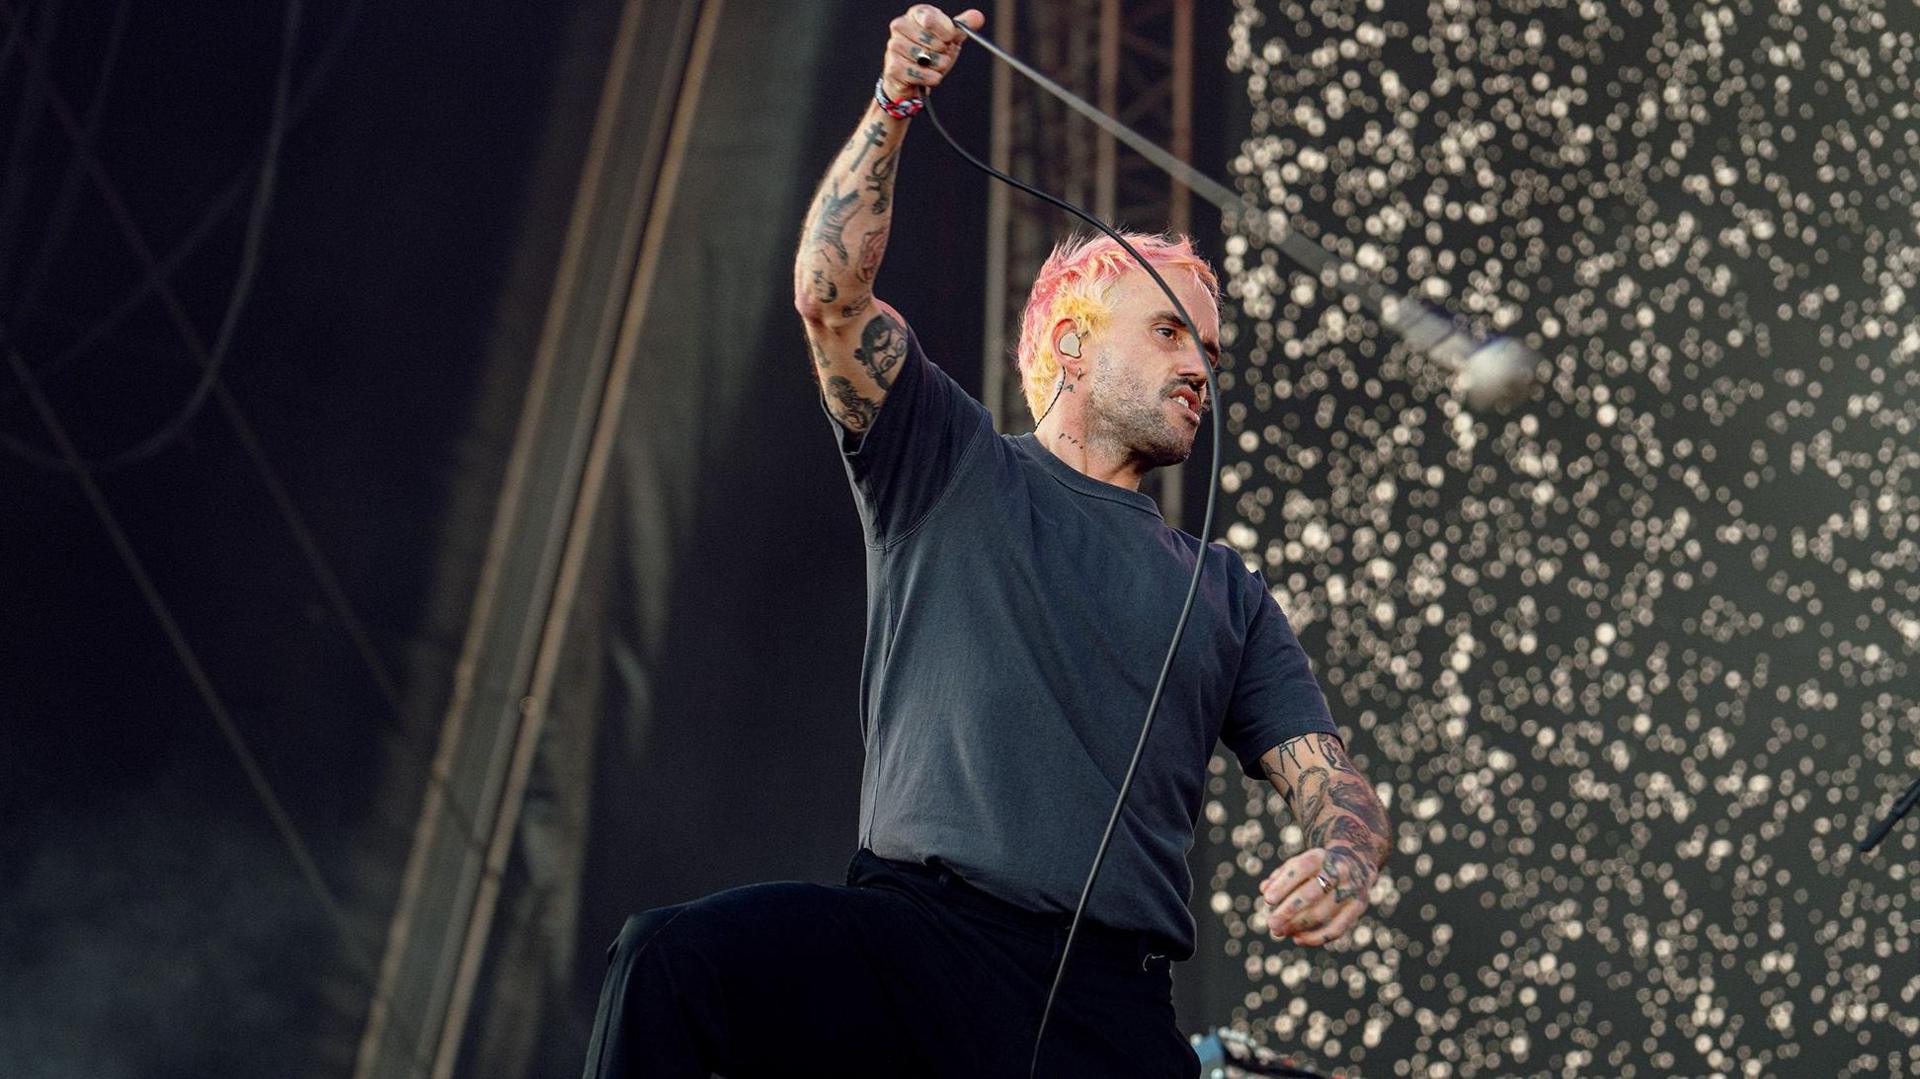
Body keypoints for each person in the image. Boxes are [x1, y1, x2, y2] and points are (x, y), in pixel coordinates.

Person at [580, 6, 1390, 1077]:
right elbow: (831, 296)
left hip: (1110, 999)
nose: (1203, 365)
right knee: (672, 959)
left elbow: (1329, 775)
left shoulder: (1227, 592)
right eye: (1171, 329)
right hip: (918, 943)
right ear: (1070, 343)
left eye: (1214, 347)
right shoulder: (951, 460)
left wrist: (1344, 853)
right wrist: (894, 103)